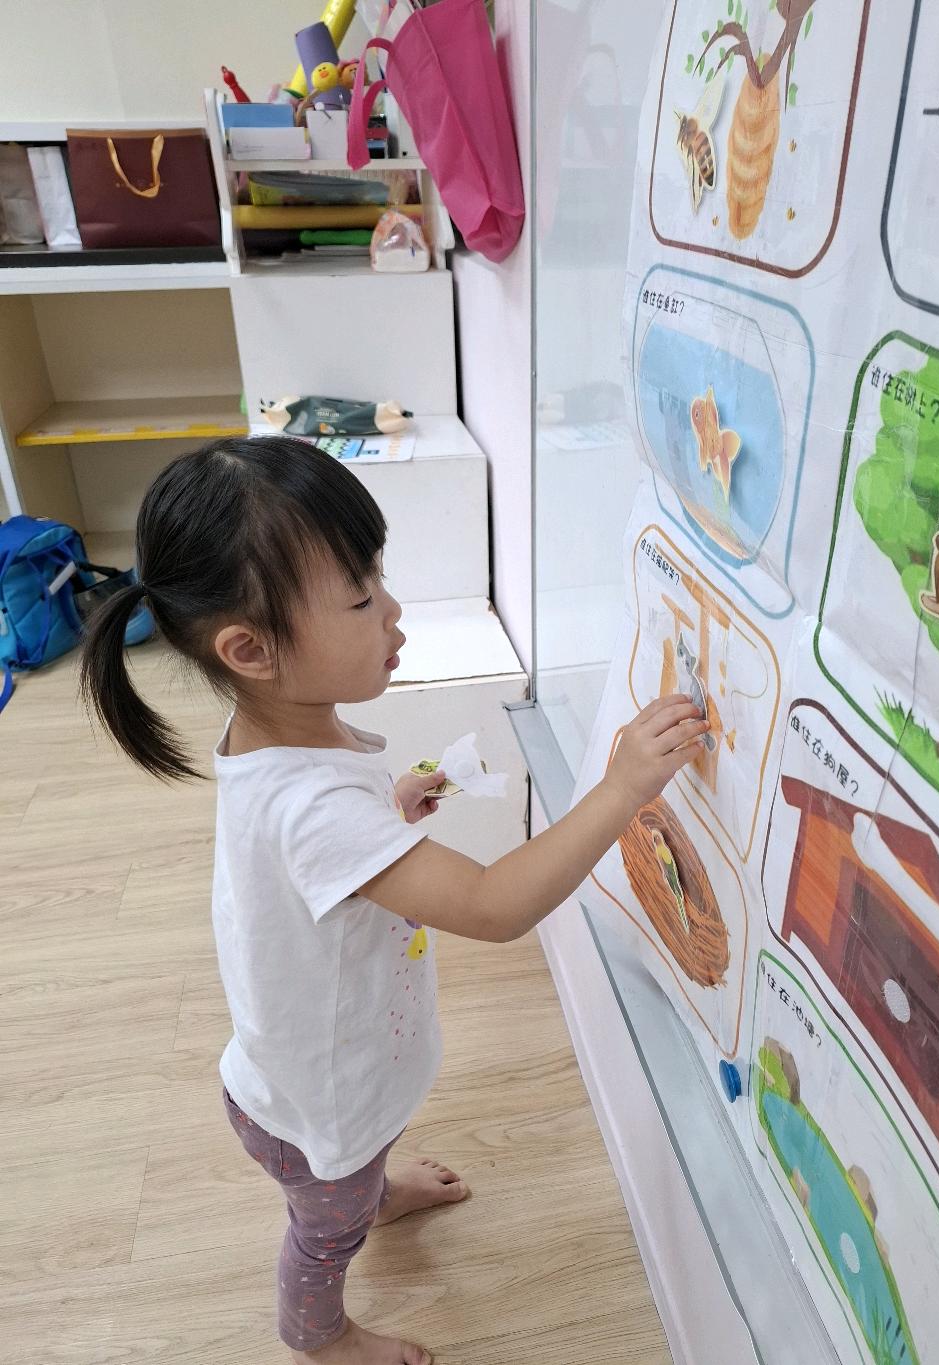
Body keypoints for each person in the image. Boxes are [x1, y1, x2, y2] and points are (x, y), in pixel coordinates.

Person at [80, 437, 710, 1365]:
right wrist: (619, 789)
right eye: (359, 596)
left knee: (362, 1163)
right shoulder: (312, 806)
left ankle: (373, 1189)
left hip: (310, 1066)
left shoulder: (278, 732)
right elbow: (493, 905)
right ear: (251, 649)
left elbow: (320, 853)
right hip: (318, 1108)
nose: (393, 607)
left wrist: (388, 809)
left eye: (378, 576)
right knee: (323, 1231)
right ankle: (320, 1333)